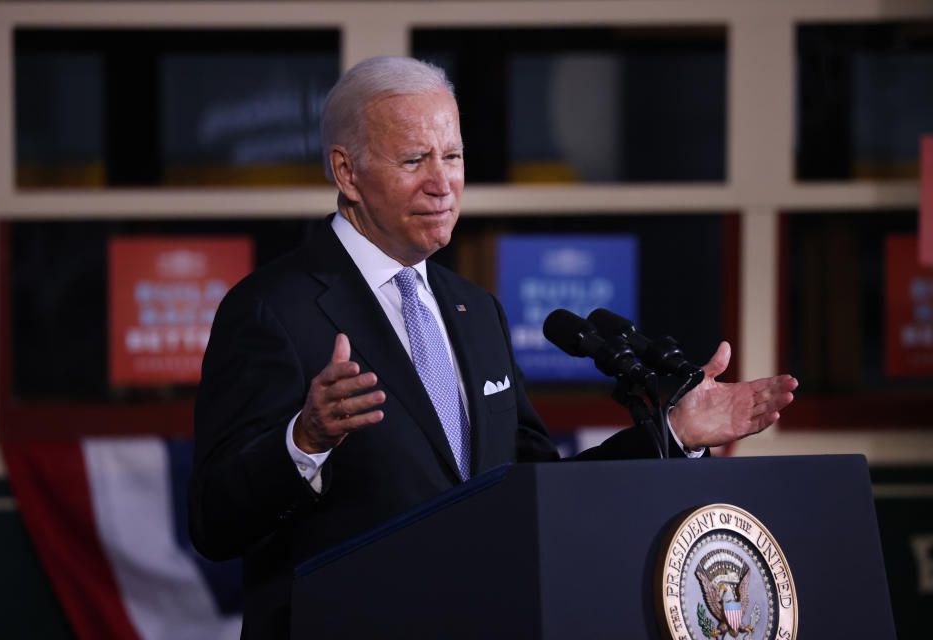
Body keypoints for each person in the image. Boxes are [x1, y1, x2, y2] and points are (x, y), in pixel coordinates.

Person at [188, 56, 797, 638]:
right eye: (412, 160)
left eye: (452, 156)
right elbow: (214, 521)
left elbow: (538, 491)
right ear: (347, 172)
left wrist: (673, 431)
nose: (442, 182)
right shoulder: (271, 309)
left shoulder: (475, 310)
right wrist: (304, 440)